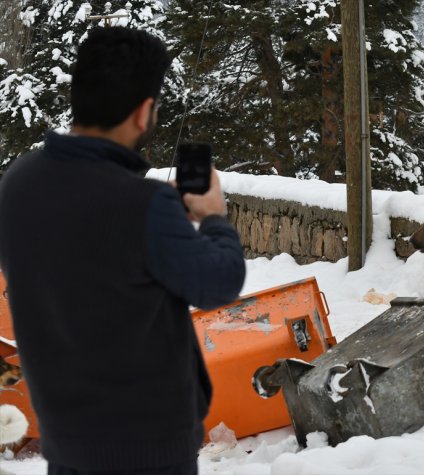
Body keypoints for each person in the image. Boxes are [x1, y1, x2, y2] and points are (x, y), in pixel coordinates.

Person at [0, 27, 246, 474]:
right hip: (147, 453)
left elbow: (81, 245)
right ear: (143, 113)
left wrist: (159, 218)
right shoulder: (142, 207)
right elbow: (218, 281)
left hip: (66, 444)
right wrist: (212, 217)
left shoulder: (17, 183)